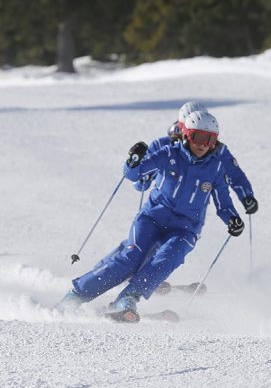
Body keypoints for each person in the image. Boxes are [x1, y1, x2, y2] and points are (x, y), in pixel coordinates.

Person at [57, 111, 245, 321]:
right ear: (186, 135)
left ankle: (128, 298)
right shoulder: (169, 154)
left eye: (210, 140)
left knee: (169, 258)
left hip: (185, 228)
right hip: (152, 219)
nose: (203, 144)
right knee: (130, 259)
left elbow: (223, 202)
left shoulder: (216, 168)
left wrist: (232, 219)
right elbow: (134, 174)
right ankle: (76, 296)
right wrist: (133, 161)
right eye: (198, 137)